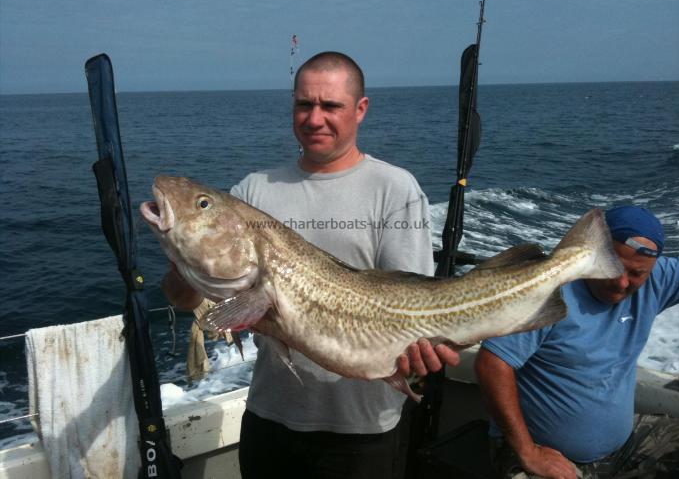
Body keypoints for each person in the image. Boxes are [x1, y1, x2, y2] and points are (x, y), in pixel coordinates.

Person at [163, 51, 460, 478]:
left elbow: (411, 303)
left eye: (330, 105)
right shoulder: (252, 190)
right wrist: (186, 260)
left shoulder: (394, 189)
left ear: (361, 110)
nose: (314, 118)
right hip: (269, 418)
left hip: (364, 431)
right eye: (304, 104)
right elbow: (181, 297)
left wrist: (423, 351)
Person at [475, 206, 679, 479]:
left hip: (623, 448)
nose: (621, 282)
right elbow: (491, 364)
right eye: (612, 266)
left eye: (636, 274)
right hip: (541, 453)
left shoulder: (657, 279)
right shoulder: (548, 291)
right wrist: (528, 451)